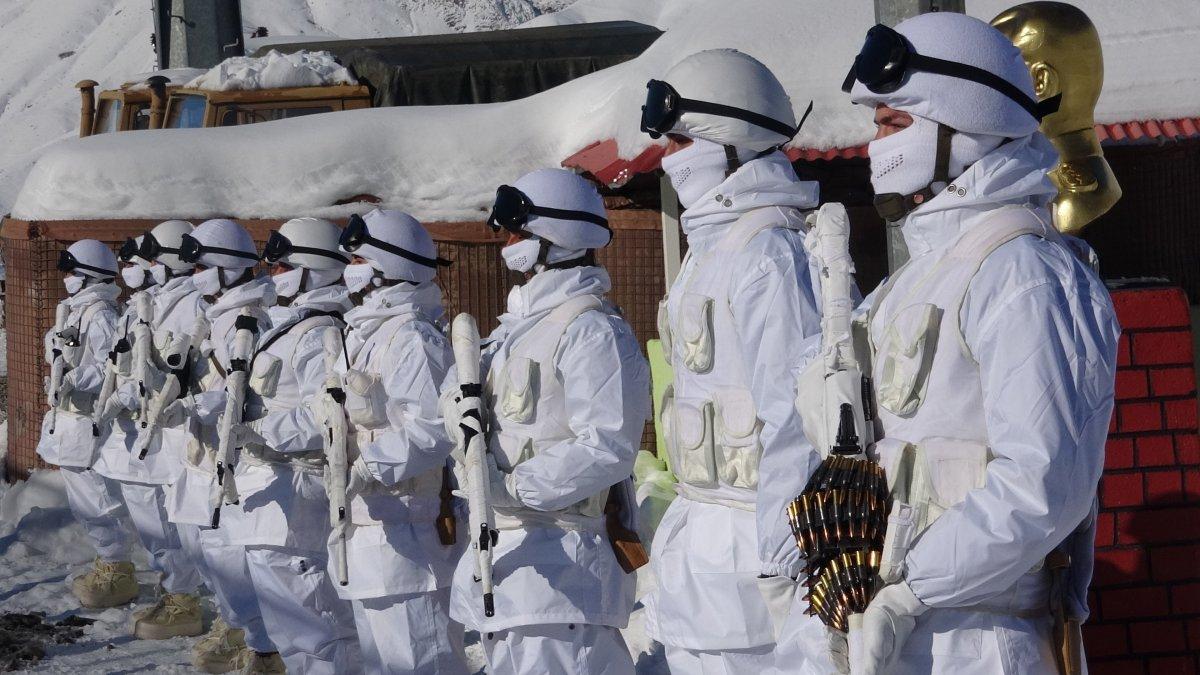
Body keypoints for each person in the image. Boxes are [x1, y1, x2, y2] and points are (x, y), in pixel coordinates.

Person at [835, 12, 1119, 674]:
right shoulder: (913, 279)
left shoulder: (1025, 272)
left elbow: (1043, 482)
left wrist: (908, 589)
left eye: (893, 123)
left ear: (965, 117)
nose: (876, 145)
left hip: (984, 640)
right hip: (900, 635)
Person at [637, 49, 831, 673]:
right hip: (702, 563)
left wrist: (779, 561)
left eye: (679, 139)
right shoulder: (710, 249)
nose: (669, 158)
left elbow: (797, 422)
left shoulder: (769, 252)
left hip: (754, 575)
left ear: (728, 139)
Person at [448, 169, 651, 675]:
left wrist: (510, 487)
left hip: (561, 564)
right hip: (510, 561)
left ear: (557, 238)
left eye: (519, 232)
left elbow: (607, 446)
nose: (509, 244)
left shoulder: (591, 330)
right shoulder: (514, 331)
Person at [330, 208, 468, 674]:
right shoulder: (366, 334)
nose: (351, 270)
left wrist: (371, 465)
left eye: (358, 259)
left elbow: (433, 428)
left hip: (409, 538)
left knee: (420, 663)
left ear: (389, 267)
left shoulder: (412, 338)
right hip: (367, 533)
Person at [224, 217, 361, 674]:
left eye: (282, 266)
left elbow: (326, 414)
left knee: (315, 625)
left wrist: (260, 429)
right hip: (269, 489)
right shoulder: (287, 324)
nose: (272, 275)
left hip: (298, 489)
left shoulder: (321, 331)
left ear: (311, 268)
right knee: (291, 629)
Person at [166, 218, 279, 673]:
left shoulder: (249, 317)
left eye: (200, 267)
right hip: (205, 451)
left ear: (225, 267)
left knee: (235, 558)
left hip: (234, 459)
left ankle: (264, 646)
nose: (193, 276)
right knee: (210, 552)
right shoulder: (215, 316)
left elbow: (250, 393)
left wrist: (205, 404)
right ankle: (242, 628)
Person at [92, 222, 206, 640]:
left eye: (154, 257)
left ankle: (185, 595)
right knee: (150, 518)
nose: (143, 266)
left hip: (171, 432)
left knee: (179, 522)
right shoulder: (144, 300)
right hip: (134, 432)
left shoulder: (194, 304)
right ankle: (173, 585)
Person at [36, 239, 137, 609]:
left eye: (73, 272)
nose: (67, 279)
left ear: (89, 275)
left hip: (87, 420)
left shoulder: (101, 315)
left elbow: (108, 368)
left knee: (99, 499)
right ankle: (109, 561)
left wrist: (74, 380)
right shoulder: (77, 311)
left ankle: (118, 568)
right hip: (68, 419)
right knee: (84, 499)